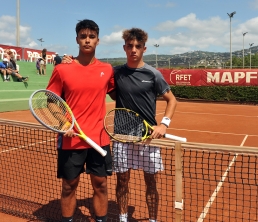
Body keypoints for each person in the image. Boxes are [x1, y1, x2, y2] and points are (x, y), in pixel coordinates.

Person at [46, 19, 115, 222]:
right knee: (69, 186)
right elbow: (51, 101)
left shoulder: (107, 69)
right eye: (83, 37)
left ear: (98, 41)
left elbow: (120, 94)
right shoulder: (62, 69)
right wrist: (63, 124)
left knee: (101, 185)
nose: (87, 41)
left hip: (99, 139)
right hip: (71, 139)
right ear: (77, 39)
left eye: (91, 37)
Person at [109, 28, 177, 222]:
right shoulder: (116, 73)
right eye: (130, 46)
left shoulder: (153, 74)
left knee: (151, 182)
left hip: (148, 137)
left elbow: (171, 100)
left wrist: (163, 125)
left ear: (144, 49)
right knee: (122, 181)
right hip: (122, 137)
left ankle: (152, 220)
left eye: (138, 46)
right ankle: (123, 218)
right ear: (124, 47)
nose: (134, 50)